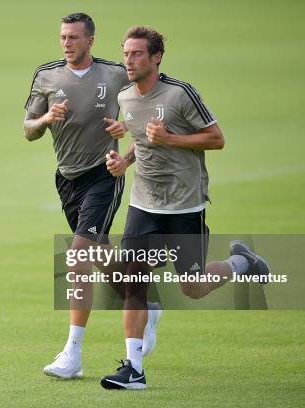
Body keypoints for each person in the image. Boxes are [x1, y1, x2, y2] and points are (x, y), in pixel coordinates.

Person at [100, 26, 270, 390]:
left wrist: (171, 139)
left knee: (192, 286)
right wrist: (125, 162)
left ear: (156, 57)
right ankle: (134, 368)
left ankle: (243, 262)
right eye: (126, 53)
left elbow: (217, 138)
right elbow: (142, 137)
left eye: (137, 54)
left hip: (184, 206)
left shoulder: (180, 94)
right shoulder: (126, 97)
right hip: (143, 203)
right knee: (133, 281)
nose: (128, 60)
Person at [23, 13, 162, 379]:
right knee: (99, 254)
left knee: (77, 255)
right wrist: (46, 119)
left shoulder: (115, 74)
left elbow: (147, 109)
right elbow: (27, 129)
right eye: (62, 37)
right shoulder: (46, 76)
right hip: (67, 179)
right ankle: (144, 299)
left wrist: (127, 144)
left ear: (90, 41)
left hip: (104, 174)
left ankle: (73, 352)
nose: (66, 43)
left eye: (73, 37)